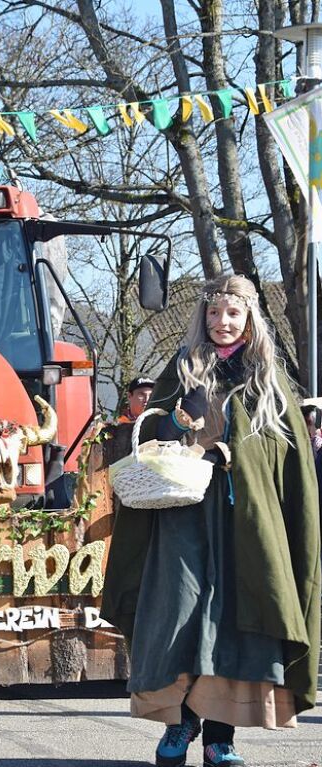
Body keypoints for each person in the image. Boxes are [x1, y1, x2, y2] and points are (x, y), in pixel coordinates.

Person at [102, 275, 320, 767]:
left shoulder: (266, 376)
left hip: (243, 519)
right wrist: (177, 423)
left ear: (249, 319)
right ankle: (180, 726)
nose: (223, 323)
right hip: (183, 517)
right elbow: (149, 432)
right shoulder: (182, 367)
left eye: (233, 314)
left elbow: (283, 453)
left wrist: (233, 452)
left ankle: (220, 737)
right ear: (203, 317)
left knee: (231, 624)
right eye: (215, 313)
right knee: (176, 613)